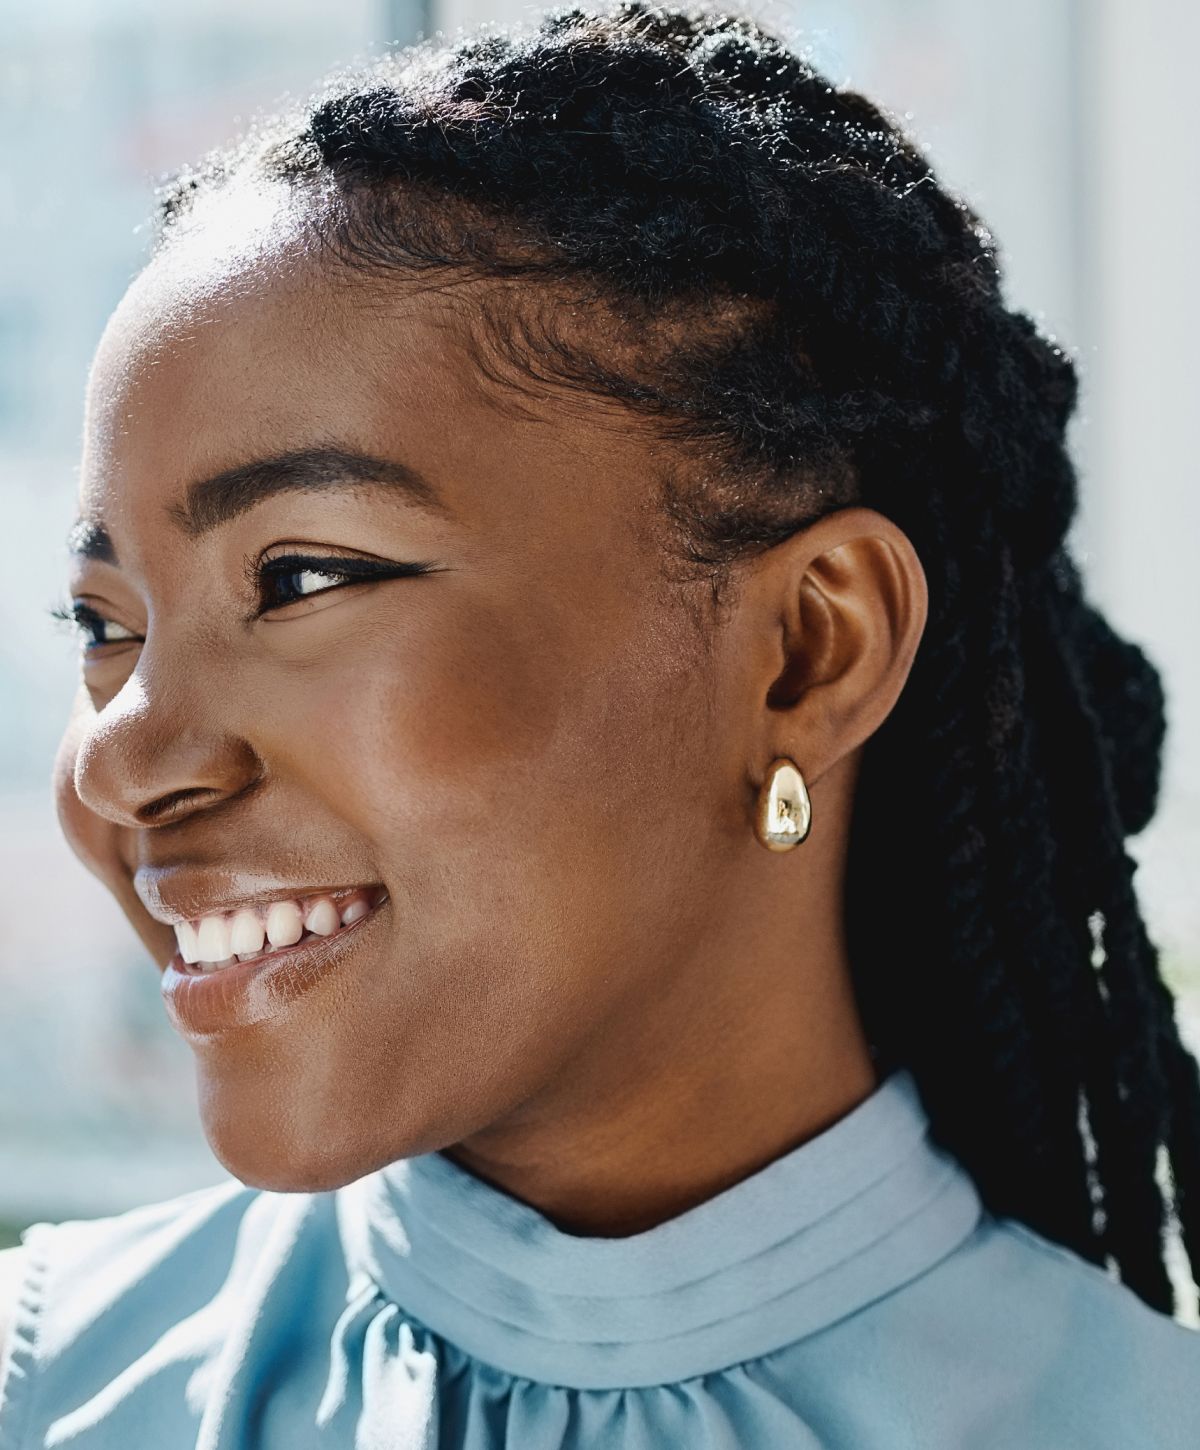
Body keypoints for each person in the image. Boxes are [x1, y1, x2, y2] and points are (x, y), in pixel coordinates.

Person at [1, 1, 1198, 1444]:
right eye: (104, 626)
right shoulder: (51, 1387)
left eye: (304, 575)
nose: (123, 760)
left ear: (811, 650)